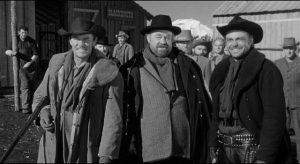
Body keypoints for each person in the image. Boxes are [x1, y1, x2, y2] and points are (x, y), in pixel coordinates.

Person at [119, 14, 212, 164]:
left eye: (168, 37)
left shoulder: (188, 67)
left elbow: (203, 105)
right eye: (158, 37)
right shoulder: (132, 68)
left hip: (183, 149)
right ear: (148, 38)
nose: (163, 41)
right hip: (148, 151)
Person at [32, 17, 124, 163]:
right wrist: (43, 111)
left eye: (86, 39)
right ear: (70, 41)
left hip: (86, 142)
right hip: (55, 139)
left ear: (94, 41)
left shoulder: (109, 73)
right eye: (76, 38)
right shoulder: (56, 64)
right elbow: (41, 95)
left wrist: (106, 155)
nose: (81, 44)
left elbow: (113, 118)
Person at [208, 16, 292, 163]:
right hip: (223, 147)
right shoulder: (221, 70)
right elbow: (216, 112)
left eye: (239, 39)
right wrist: (212, 142)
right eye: (229, 40)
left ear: (251, 41)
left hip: (253, 147)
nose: (234, 44)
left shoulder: (266, 69)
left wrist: (265, 156)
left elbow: (274, 117)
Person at [274, 37, 300, 163]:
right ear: (283, 50)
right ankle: (285, 159)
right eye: (287, 48)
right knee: (281, 134)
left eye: (291, 48)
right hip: (281, 103)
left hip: (298, 103)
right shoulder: (276, 64)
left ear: (296, 49)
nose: (289, 51)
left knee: (299, 135)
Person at [5, 25, 39, 114]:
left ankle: (33, 107)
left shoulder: (31, 41)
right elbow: (7, 51)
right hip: (22, 68)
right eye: (22, 32)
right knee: (25, 87)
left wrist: (29, 63)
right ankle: (25, 108)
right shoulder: (15, 40)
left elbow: (35, 55)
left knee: (33, 87)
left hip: (31, 67)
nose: (24, 34)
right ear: (19, 32)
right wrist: (12, 53)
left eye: (26, 33)